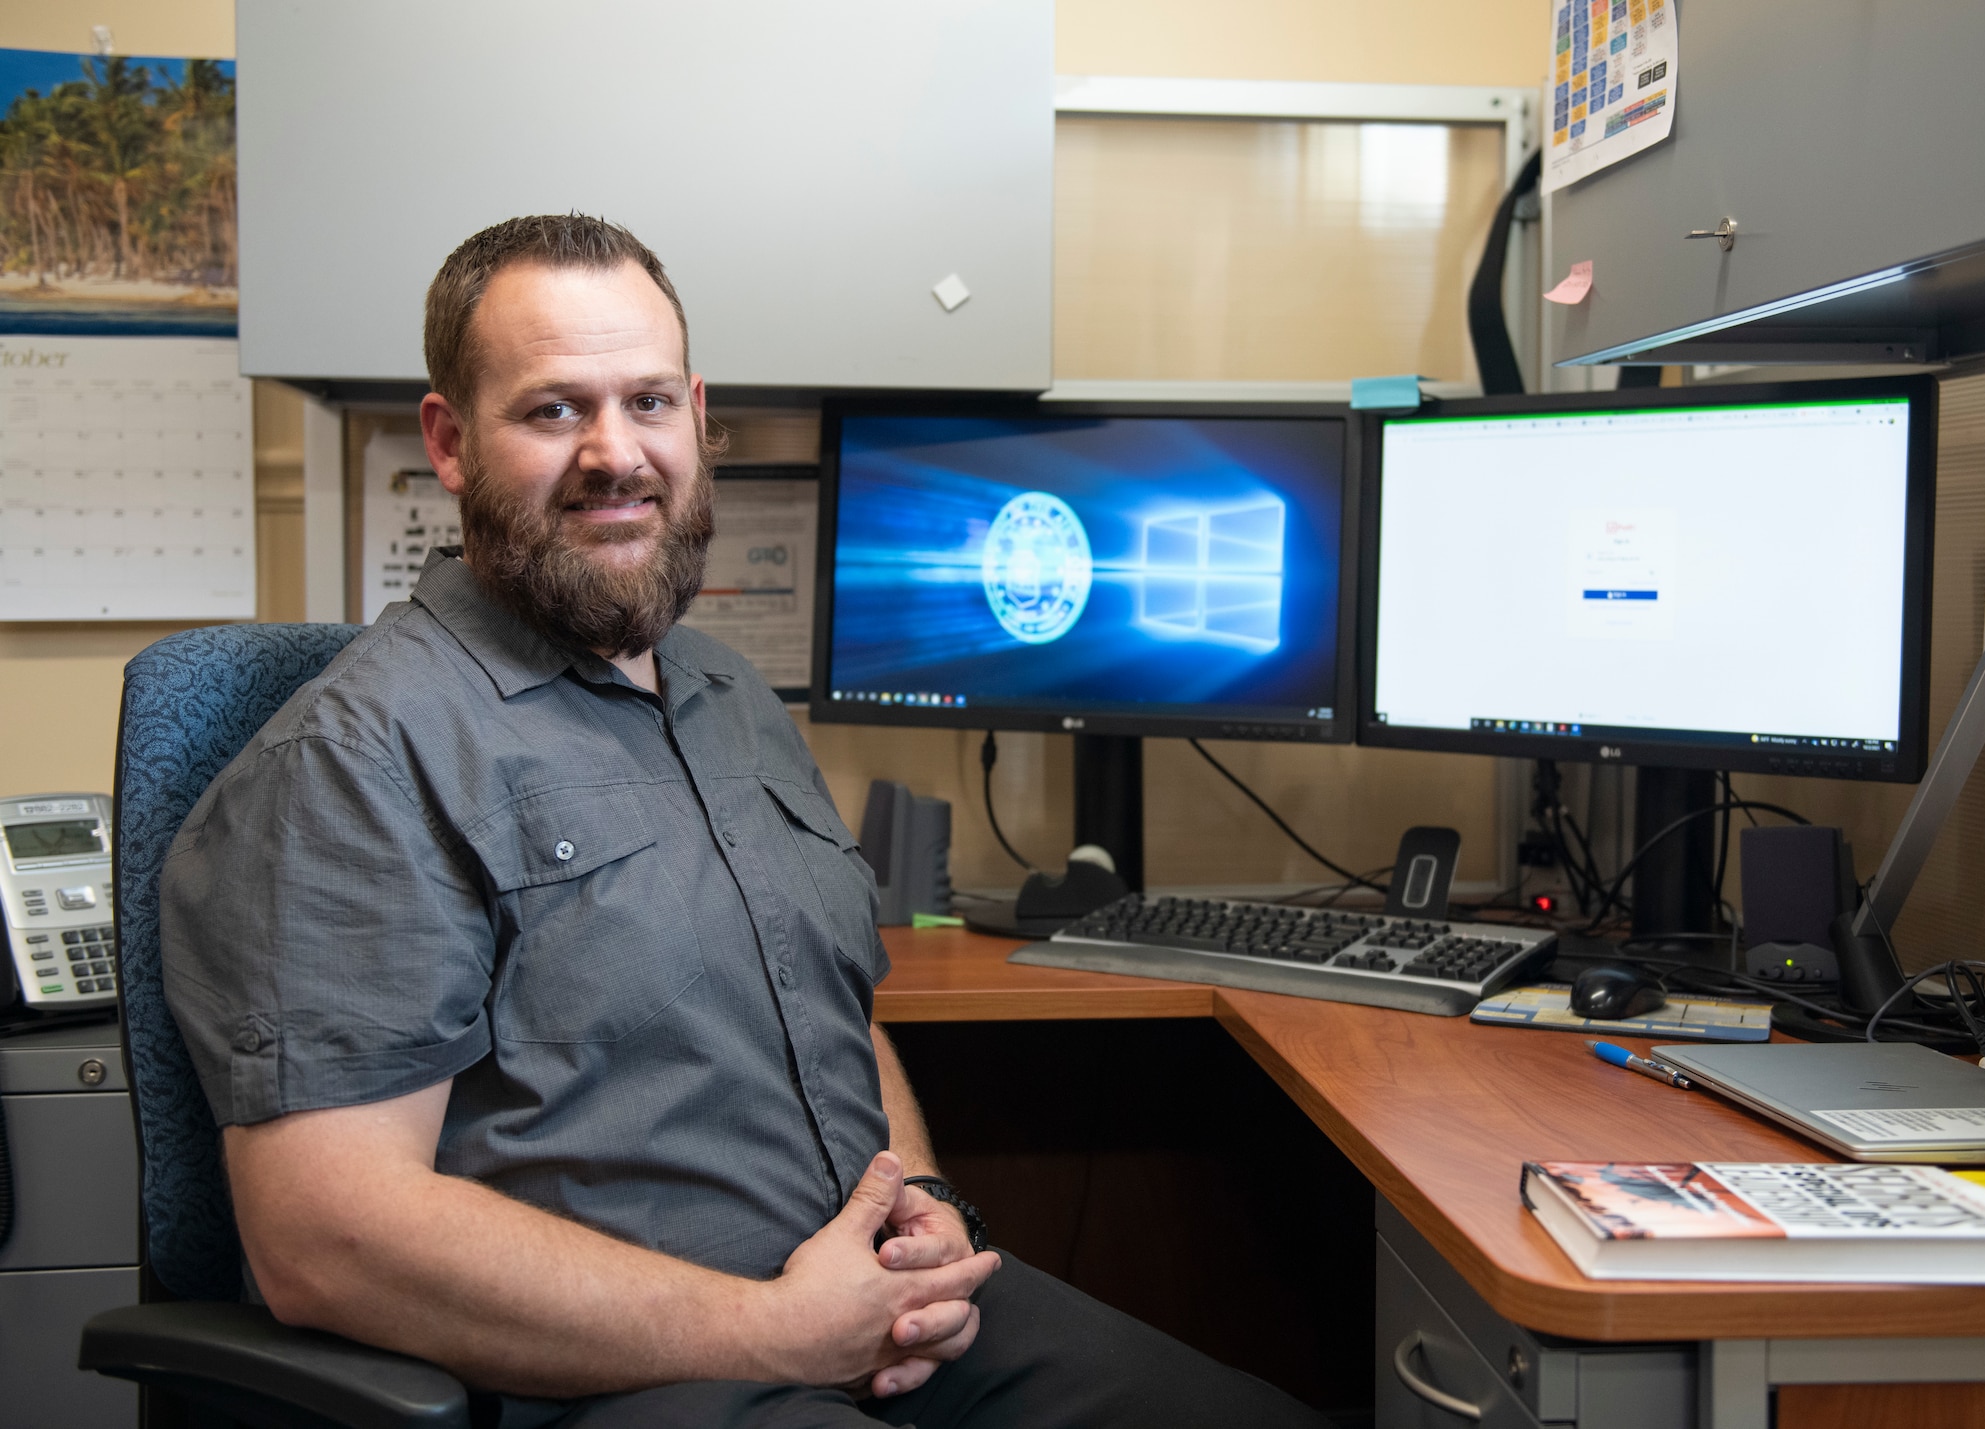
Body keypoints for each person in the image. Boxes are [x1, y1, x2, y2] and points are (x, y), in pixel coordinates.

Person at [161, 215, 1327, 1428]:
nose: (617, 454)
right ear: (450, 442)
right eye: (553, 410)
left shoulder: (730, 701)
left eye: (649, 401)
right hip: (624, 1375)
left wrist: (916, 1198)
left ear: (697, 414)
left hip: (873, 1309)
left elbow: (831, 1012)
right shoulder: (358, 757)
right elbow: (326, 1236)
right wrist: (769, 1331)